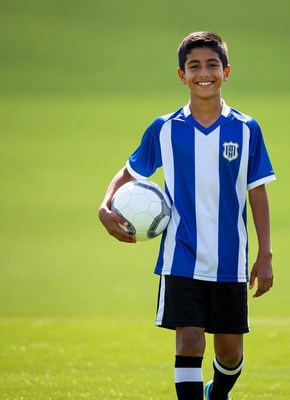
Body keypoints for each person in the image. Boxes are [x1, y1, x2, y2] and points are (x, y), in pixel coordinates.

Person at [99, 31, 276, 400]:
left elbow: (257, 191)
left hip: (231, 260)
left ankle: (218, 392)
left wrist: (265, 253)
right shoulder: (165, 128)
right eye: (194, 66)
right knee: (191, 340)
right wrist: (105, 205)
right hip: (181, 256)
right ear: (182, 75)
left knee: (230, 354)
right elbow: (130, 171)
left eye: (212, 65)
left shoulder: (246, 129)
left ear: (226, 71)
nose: (203, 73)